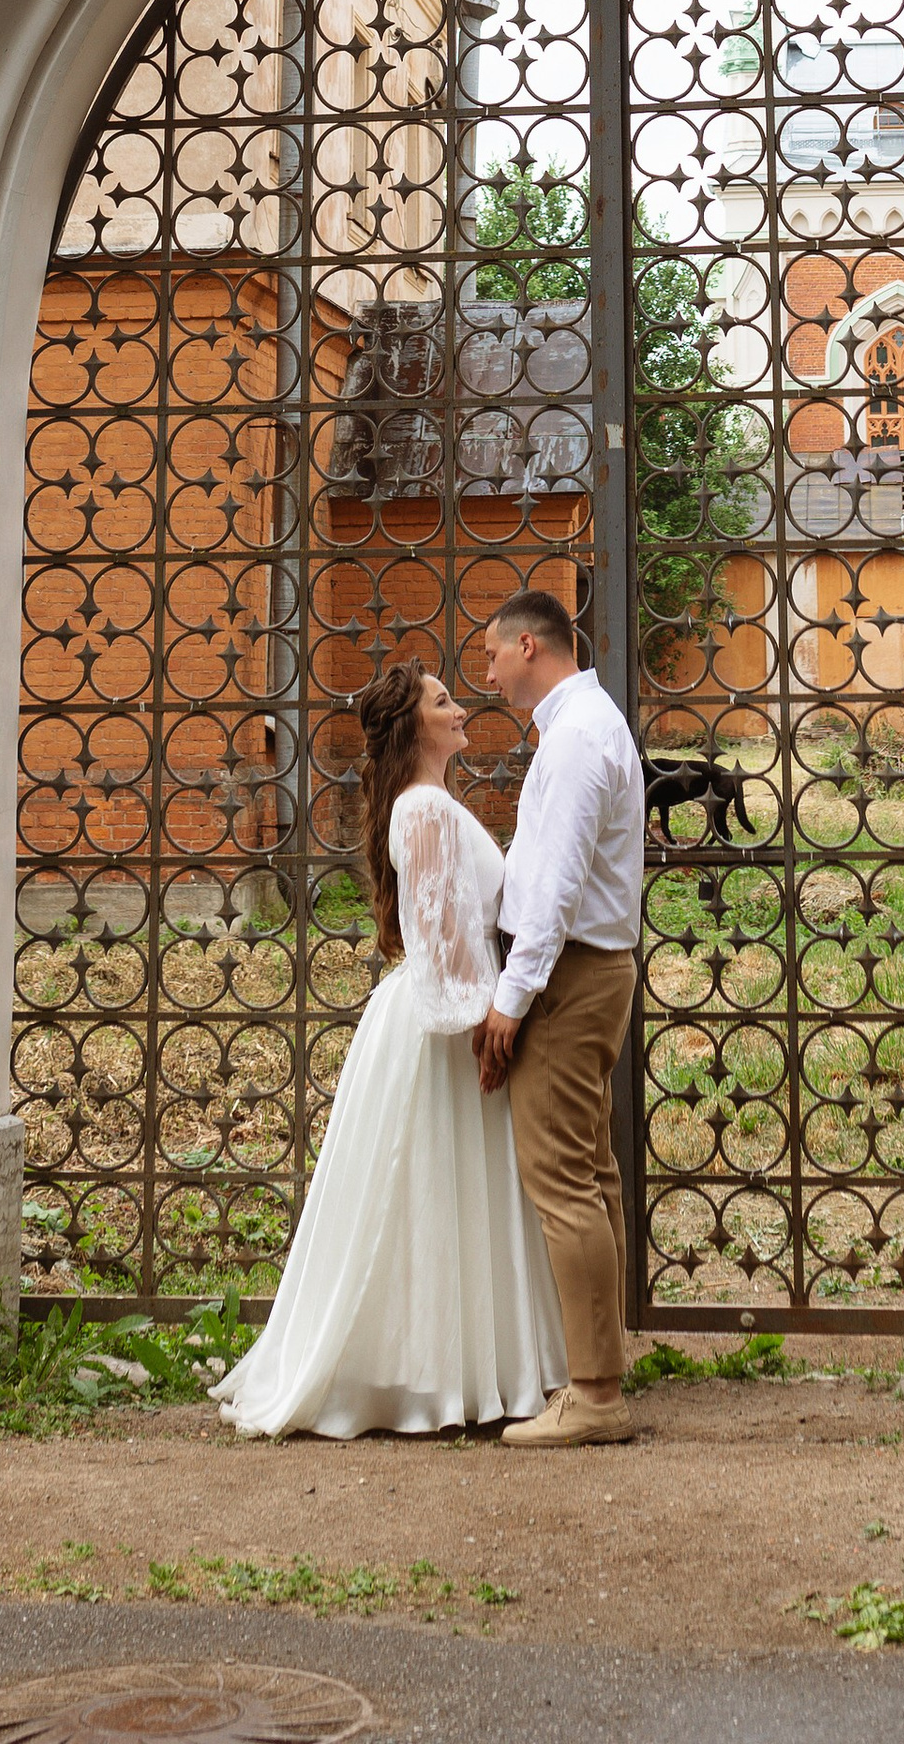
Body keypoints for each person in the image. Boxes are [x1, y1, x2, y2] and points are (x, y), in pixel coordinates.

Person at [210, 657, 564, 1438]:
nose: (460, 708)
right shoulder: (425, 810)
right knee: (432, 1188)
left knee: (440, 1192)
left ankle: (452, 1369)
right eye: (444, 702)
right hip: (444, 1024)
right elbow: (440, 934)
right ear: (415, 726)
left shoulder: (427, 803)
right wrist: (484, 1020)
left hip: (440, 1012)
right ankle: (436, 1376)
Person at [475, 588, 648, 1449]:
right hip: (584, 970)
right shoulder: (582, 724)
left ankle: (595, 1395)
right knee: (590, 1170)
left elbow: (556, 882)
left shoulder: (577, 735)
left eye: (495, 652)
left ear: (532, 645)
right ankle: (603, 1356)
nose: (489, 669)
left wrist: (514, 996)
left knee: (561, 1179)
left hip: (570, 977)